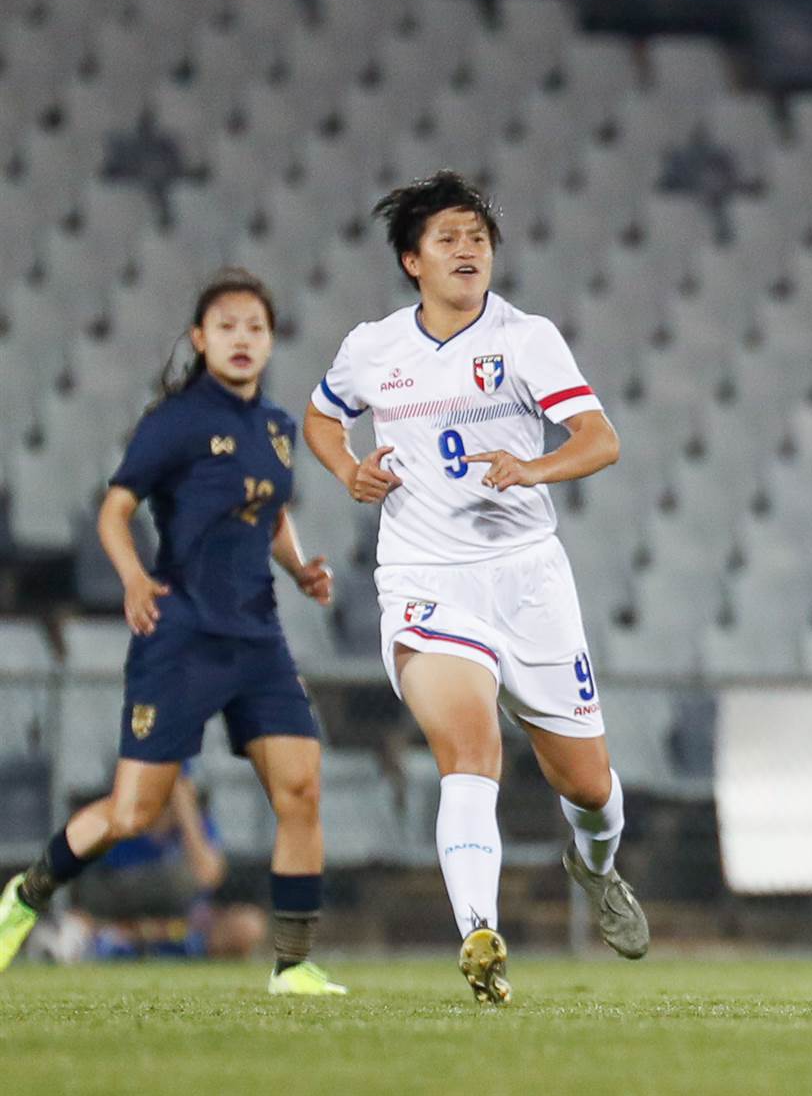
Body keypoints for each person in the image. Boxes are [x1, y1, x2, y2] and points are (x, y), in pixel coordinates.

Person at [303, 170, 647, 1005]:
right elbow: (319, 413)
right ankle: (479, 937)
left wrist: (533, 465)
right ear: (411, 259)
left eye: (479, 237)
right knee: (471, 749)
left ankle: (593, 865)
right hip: (425, 579)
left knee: (588, 787)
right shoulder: (372, 348)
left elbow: (601, 440)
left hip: (528, 579)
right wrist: (349, 469)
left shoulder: (527, 340)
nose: (468, 249)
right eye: (449, 237)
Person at [0, 271, 346, 995]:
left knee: (302, 786)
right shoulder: (175, 422)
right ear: (200, 338)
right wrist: (131, 576)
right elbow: (113, 510)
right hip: (180, 634)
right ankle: (25, 895)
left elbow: (270, 511)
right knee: (133, 812)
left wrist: (300, 566)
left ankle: (292, 965)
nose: (242, 338)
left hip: (257, 638)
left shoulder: (278, 429)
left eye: (255, 325)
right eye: (227, 326)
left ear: (270, 338)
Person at [63, 777, 269, 963]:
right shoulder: (119, 825)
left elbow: (210, 875)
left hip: (185, 931)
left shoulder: (194, 825)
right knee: (73, 931)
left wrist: (187, 815)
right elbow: (96, 896)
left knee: (248, 925)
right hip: (119, 928)